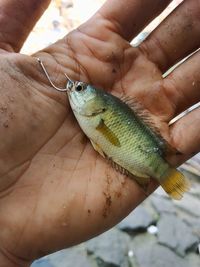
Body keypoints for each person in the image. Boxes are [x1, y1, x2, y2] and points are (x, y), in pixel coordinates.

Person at [0, 0, 199, 266]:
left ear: (100, 105)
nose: (75, 89)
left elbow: (110, 140)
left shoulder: (97, 115)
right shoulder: (92, 115)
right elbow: (107, 139)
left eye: (81, 90)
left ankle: (164, 174)